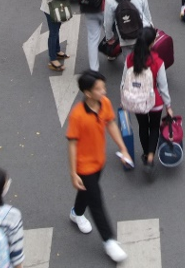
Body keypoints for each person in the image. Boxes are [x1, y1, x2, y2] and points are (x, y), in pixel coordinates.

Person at [66, 70, 130, 264]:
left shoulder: (105, 104)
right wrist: (73, 172)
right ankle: (109, 241)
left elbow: (110, 124)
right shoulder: (77, 115)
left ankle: (76, 213)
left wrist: (123, 148)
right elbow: (72, 144)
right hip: (84, 166)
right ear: (87, 93)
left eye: (103, 86)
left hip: (99, 161)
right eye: (99, 88)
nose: (104, 91)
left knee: (86, 193)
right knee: (96, 201)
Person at [122, 27, 173, 169]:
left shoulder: (130, 59)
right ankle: (151, 156)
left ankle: (145, 154)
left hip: (137, 100)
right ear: (152, 43)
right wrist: (168, 106)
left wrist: (124, 101)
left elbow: (124, 82)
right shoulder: (158, 61)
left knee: (143, 127)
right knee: (154, 127)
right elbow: (163, 87)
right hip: (155, 101)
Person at [41, 0, 73, 72]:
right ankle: (52, 59)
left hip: (58, 4)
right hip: (51, 7)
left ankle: (57, 51)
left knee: (57, 28)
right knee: (53, 32)